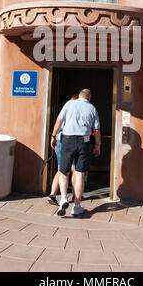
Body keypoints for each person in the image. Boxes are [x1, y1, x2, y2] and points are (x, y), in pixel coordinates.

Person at [51, 88, 101, 216]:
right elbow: (96, 130)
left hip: (67, 140)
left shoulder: (69, 104)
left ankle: (63, 198)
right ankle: (77, 205)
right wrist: (97, 145)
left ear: (79, 96)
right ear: (89, 98)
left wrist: (53, 136)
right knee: (79, 174)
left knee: (63, 171)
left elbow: (59, 121)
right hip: (84, 143)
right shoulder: (92, 108)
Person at [47, 95, 78, 206]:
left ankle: (52, 194)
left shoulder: (64, 110)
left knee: (61, 169)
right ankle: (76, 195)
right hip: (70, 141)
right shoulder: (75, 113)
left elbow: (58, 123)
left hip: (60, 140)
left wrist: (53, 137)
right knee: (74, 169)